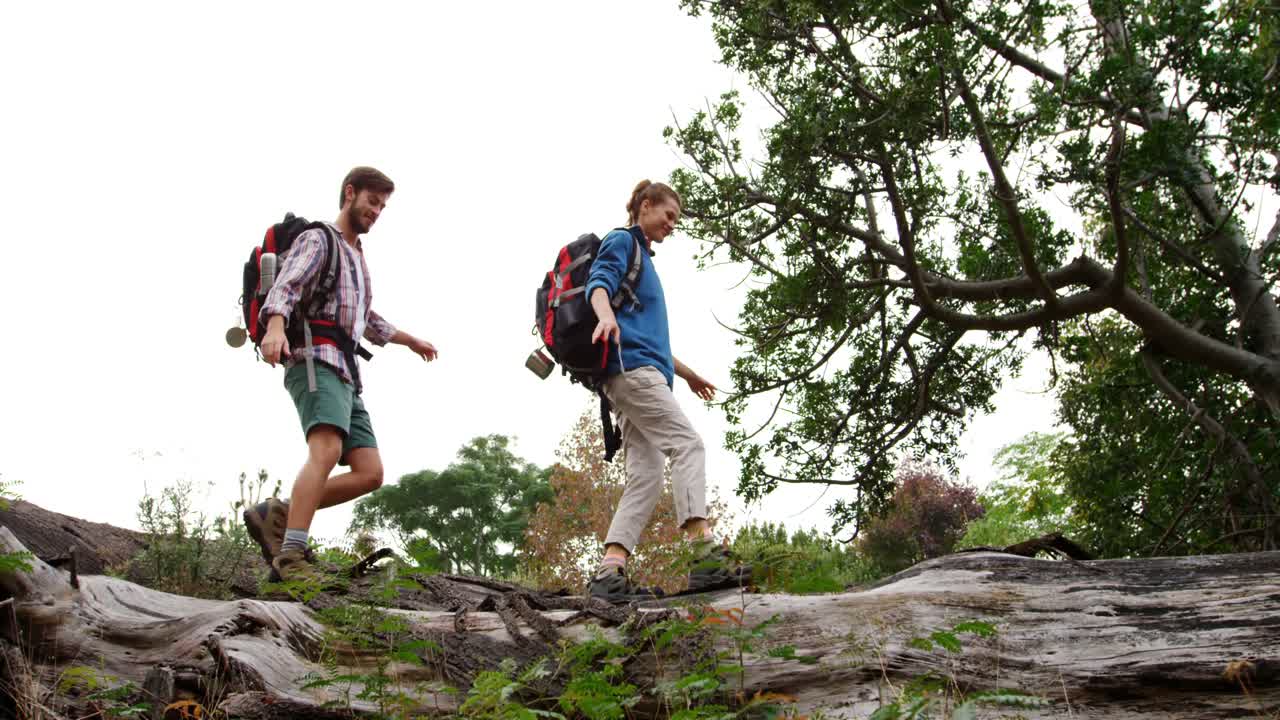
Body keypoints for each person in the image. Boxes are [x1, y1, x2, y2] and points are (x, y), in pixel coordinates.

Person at [243, 166, 438, 584]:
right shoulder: (319, 239)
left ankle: (279, 513)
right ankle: (292, 557)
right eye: (372, 201)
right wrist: (275, 329)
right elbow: (286, 288)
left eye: (383, 206)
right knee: (327, 452)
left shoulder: (357, 257)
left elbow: (366, 318)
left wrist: (411, 340)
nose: (377, 212)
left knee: (371, 472)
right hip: (315, 358)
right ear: (349, 194)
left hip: (347, 372)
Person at [585, 179, 751, 602]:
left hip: (639, 372)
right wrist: (604, 317)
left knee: (646, 477)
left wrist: (690, 375)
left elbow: (653, 343)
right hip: (633, 372)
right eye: (668, 215)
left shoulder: (646, 263)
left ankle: (610, 572)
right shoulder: (624, 241)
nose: (672, 225)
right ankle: (704, 554)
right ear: (645, 206)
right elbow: (598, 283)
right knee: (688, 445)